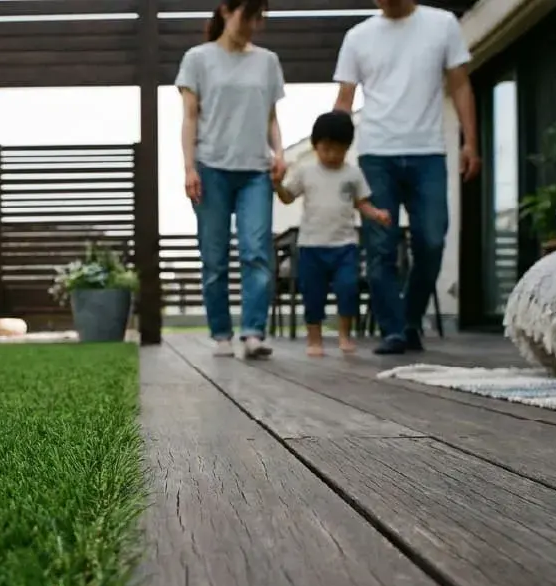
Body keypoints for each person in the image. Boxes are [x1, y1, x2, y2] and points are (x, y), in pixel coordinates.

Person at [332, 0, 480, 354]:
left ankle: (410, 319)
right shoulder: (358, 36)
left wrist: (470, 142)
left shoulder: (442, 24)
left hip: (427, 151)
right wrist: (332, 158)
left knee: (431, 240)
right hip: (375, 154)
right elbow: (344, 100)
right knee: (380, 248)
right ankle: (394, 330)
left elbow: (460, 85)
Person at [176, 0, 286, 359]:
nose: (253, 24)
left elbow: (271, 116)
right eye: (247, 16)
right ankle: (221, 334)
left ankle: (253, 332)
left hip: (255, 170)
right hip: (211, 167)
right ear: (225, 11)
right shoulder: (197, 58)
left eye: (259, 18)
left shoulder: (267, 61)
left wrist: (280, 153)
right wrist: (189, 166)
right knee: (214, 256)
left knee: (256, 252)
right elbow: (190, 117)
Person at [273, 111, 392, 357]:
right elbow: (287, 197)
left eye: (338, 150)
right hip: (311, 246)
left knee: (348, 288)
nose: (331, 155)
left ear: (347, 148)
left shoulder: (352, 174)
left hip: (344, 245)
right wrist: (276, 185)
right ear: (316, 146)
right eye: (326, 149)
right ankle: (314, 339)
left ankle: (345, 336)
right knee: (312, 294)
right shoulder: (306, 172)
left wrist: (377, 214)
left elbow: (362, 203)